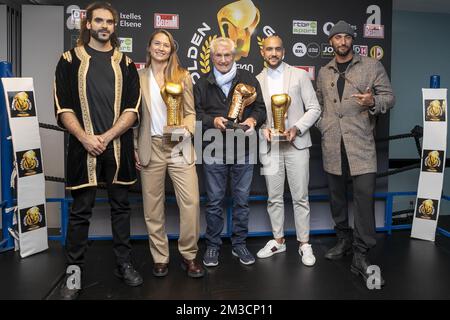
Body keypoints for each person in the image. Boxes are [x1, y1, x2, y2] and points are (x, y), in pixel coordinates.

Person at [53, 1, 142, 300]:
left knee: (121, 209)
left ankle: (124, 263)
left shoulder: (126, 63)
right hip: (83, 148)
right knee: (80, 212)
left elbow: (132, 109)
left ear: (114, 27)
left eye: (110, 22)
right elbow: (63, 107)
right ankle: (73, 272)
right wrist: (85, 137)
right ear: (88, 24)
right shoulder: (68, 61)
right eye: (99, 21)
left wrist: (106, 136)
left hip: (117, 147)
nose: (105, 26)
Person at [316, 20, 395, 286]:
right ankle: (344, 241)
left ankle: (361, 254)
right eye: (337, 37)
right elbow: (318, 103)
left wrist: (373, 101)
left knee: (363, 200)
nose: (342, 41)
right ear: (331, 42)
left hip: (361, 144)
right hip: (332, 145)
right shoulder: (324, 71)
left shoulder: (371, 66)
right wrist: (323, 125)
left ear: (353, 41)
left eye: (346, 38)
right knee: (337, 199)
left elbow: (389, 98)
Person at [134, 29, 204, 278]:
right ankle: (160, 257)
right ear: (150, 46)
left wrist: (185, 130)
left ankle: (189, 255)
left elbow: (191, 112)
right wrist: (135, 147)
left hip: (179, 145)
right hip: (150, 144)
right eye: (157, 43)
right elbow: (133, 116)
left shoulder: (182, 75)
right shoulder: (137, 76)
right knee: (153, 207)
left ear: (172, 49)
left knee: (191, 202)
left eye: (166, 45)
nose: (161, 48)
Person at [194, 37, 266, 266]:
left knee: (242, 201)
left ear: (234, 56)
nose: (223, 60)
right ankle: (213, 246)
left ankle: (239, 245)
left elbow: (261, 109)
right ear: (211, 57)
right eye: (218, 55)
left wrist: (254, 120)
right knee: (214, 201)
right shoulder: (202, 83)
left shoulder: (248, 78)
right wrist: (212, 120)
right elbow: (194, 114)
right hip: (212, 149)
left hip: (243, 149)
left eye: (227, 55)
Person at [255, 35, 321, 266]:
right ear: (262, 52)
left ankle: (304, 244)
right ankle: (278, 240)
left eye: (277, 49)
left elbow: (314, 108)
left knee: (300, 197)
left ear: (283, 51)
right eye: (268, 49)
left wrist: (297, 127)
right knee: (273, 198)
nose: (273, 53)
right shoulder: (257, 80)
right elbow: (257, 115)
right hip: (270, 147)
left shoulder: (299, 75)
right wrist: (262, 128)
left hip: (297, 144)